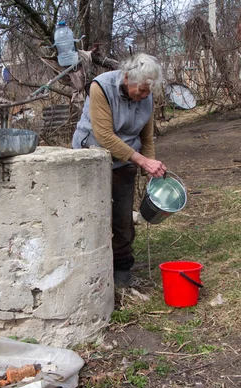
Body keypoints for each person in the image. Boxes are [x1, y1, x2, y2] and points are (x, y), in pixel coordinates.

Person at [72, 53, 167, 287]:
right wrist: (142, 161)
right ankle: (89, 268)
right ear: (127, 77)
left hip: (125, 162)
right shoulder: (101, 88)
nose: (144, 96)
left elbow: (146, 137)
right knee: (94, 214)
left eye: (148, 91)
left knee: (123, 218)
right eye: (141, 90)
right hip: (93, 156)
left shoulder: (147, 95)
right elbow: (104, 136)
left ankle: (122, 268)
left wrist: (150, 170)